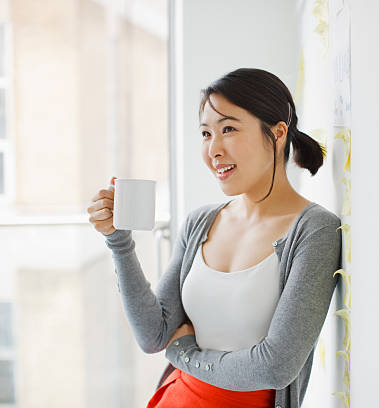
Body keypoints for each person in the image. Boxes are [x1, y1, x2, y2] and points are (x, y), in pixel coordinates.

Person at [86, 68, 343, 408]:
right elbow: (154, 334)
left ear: (278, 133)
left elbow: (276, 367)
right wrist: (118, 241)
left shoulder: (314, 230)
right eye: (206, 134)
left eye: (229, 129)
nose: (213, 149)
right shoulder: (200, 223)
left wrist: (184, 355)